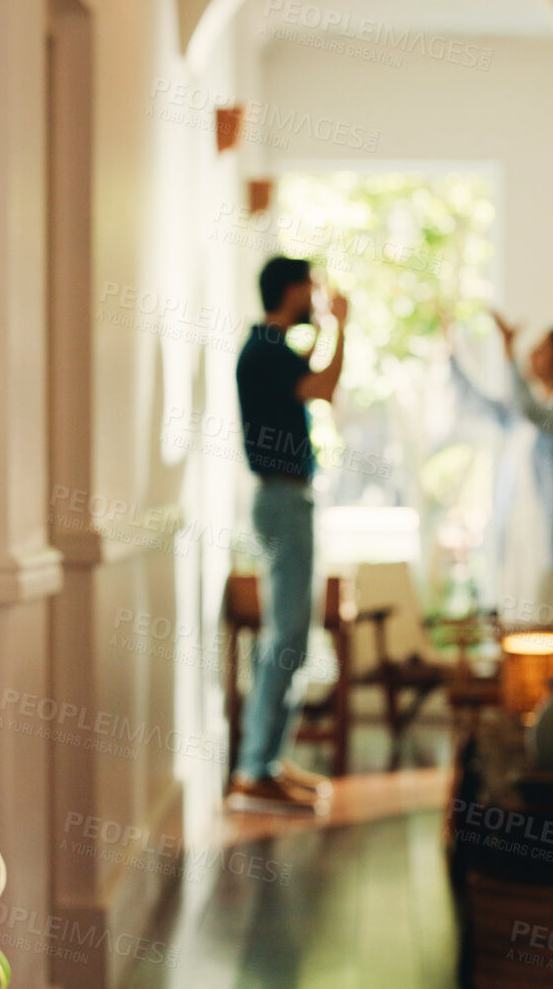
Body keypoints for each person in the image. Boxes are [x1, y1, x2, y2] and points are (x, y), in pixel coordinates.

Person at [229, 256, 347, 814]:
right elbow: (323, 386)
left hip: (286, 499)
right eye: (312, 288)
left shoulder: (270, 349)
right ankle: (256, 770)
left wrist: (326, 330)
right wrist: (341, 328)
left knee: (293, 638)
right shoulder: (265, 350)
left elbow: (311, 378)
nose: (316, 297)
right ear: (291, 290)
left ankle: (269, 762)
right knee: (287, 638)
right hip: (282, 500)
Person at [443, 308, 553, 607]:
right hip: (516, 533)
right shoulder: (521, 415)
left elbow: (531, 411)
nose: (532, 355)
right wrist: (451, 354)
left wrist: (508, 352)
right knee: (514, 610)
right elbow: (479, 404)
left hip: (546, 539)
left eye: (543, 350)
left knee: (543, 612)